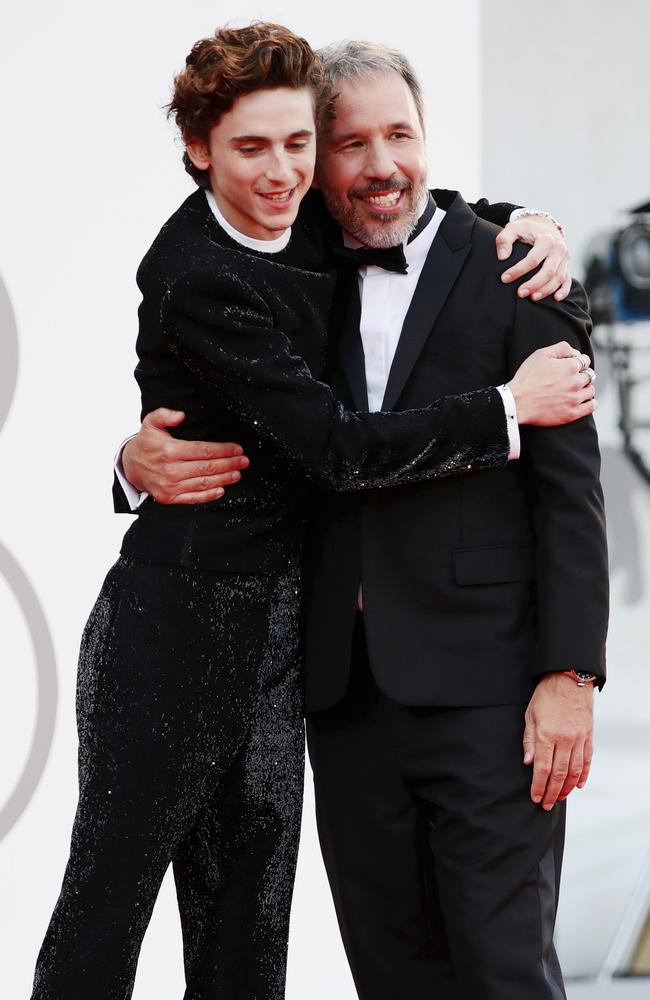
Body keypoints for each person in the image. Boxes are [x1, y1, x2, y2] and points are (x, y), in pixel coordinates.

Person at [120, 36, 608, 1000]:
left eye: (403, 135)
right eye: (350, 144)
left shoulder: (518, 268)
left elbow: (570, 492)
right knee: (390, 973)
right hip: (342, 702)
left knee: (505, 970)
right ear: (314, 164)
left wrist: (571, 674)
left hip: (492, 697)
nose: (383, 166)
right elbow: (223, 412)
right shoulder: (285, 275)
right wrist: (130, 461)